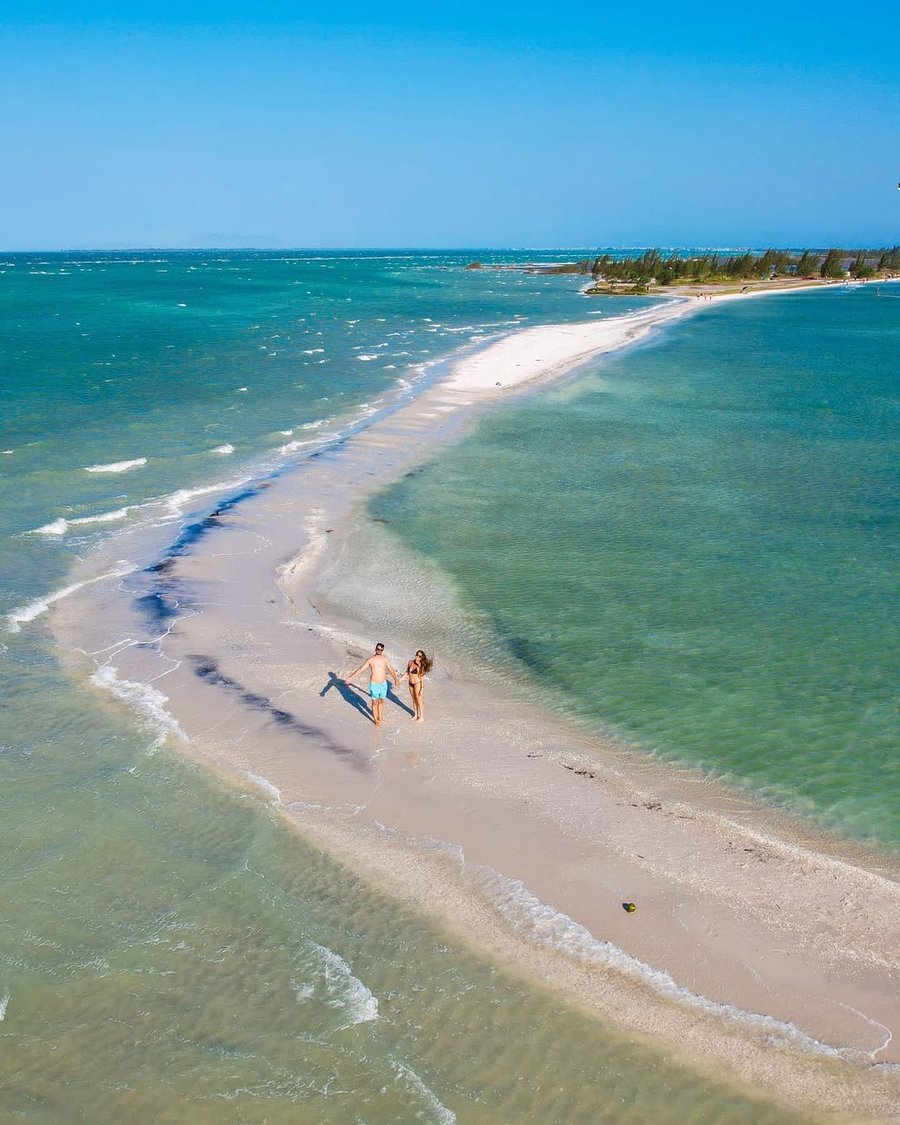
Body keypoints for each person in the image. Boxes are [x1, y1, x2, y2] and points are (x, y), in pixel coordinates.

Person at [343, 643, 400, 727]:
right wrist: (350, 678)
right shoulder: (370, 660)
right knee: (374, 702)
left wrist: (396, 679)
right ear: (375, 649)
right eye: (378, 649)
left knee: (381, 701)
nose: (379, 651)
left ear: (382, 651)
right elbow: (360, 669)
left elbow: (391, 669)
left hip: (383, 684)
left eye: (381, 650)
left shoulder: (385, 659)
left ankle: (380, 718)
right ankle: (375, 719)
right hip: (374, 684)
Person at [399, 649, 434, 722]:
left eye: (419, 656)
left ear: (422, 658)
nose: (417, 657)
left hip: (417, 684)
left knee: (419, 700)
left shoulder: (421, 666)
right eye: (417, 655)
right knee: (414, 699)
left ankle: (421, 717)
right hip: (410, 683)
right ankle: (415, 715)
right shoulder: (410, 662)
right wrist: (400, 680)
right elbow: (407, 673)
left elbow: (422, 678)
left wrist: (422, 688)